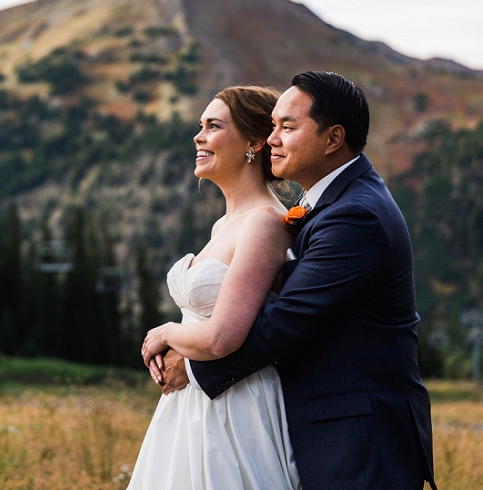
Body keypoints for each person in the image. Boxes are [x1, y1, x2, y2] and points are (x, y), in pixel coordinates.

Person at [149, 71, 436, 490]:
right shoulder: (323, 204)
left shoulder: (355, 215)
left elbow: (285, 320)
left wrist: (190, 364)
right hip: (325, 425)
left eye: (287, 127)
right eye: (272, 126)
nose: (272, 139)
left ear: (333, 138)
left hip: (358, 437)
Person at [127, 85, 303, 489]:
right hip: (189, 405)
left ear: (254, 143)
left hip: (235, 406)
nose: (198, 136)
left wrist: (166, 333)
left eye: (213, 126)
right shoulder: (223, 226)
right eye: (200, 125)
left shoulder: (265, 223)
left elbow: (225, 336)